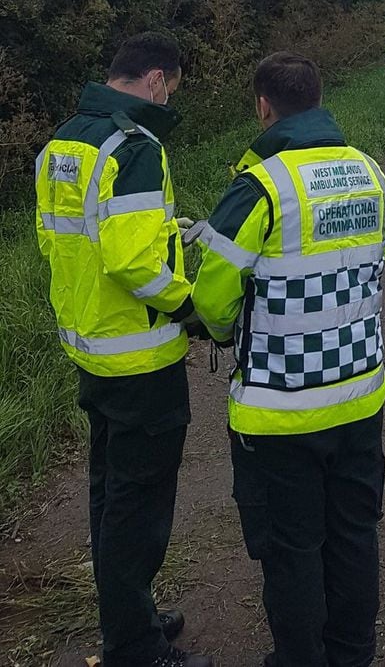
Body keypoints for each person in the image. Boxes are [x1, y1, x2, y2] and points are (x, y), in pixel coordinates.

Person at [192, 53, 385, 667]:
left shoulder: (261, 185)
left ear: (263, 107)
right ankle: (353, 654)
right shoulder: (371, 173)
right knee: (355, 537)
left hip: (278, 414)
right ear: (320, 97)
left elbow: (213, 298)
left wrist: (225, 326)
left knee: (293, 550)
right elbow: (372, 261)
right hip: (361, 396)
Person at [34, 33, 211, 667]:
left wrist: (170, 231)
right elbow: (134, 261)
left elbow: (72, 241)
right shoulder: (134, 146)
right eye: (174, 88)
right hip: (141, 359)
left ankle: (127, 612)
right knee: (139, 505)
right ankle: (134, 646)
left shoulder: (64, 141)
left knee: (110, 494)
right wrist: (189, 306)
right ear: (157, 79)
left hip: (90, 345)